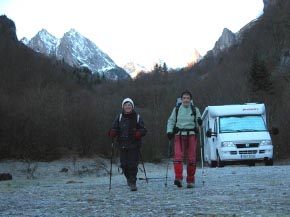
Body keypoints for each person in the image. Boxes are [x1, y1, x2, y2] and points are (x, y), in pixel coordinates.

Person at [108, 98, 147, 191]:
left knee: (132, 165)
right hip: (122, 145)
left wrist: (139, 133)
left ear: (132, 106)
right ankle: (129, 179)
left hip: (134, 144)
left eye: (129, 105)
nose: (128, 106)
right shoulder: (119, 117)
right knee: (124, 165)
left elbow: (144, 129)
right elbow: (114, 128)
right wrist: (112, 132)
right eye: (126, 105)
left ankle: (133, 182)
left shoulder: (137, 117)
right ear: (123, 107)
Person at [167, 90, 202, 188]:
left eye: (188, 98)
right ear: (181, 99)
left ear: (191, 100)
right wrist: (169, 131)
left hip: (191, 135)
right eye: (184, 98)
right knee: (178, 157)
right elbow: (171, 121)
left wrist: (199, 121)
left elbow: (200, 123)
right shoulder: (177, 109)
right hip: (179, 134)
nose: (186, 100)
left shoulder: (195, 109)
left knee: (191, 158)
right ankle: (178, 178)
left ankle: (190, 180)